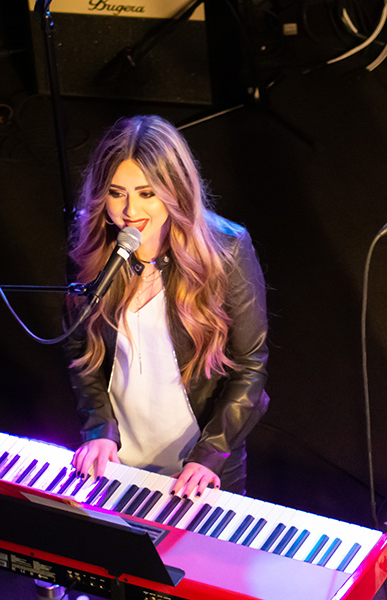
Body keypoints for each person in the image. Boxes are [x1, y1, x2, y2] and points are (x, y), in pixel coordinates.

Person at [63, 115, 269, 498]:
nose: (129, 210)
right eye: (116, 192)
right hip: (118, 464)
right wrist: (98, 429)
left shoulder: (226, 248)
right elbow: (79, 351)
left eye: (146, 193)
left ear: (174, 190)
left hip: (199, 468)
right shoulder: (93, 248)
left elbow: (251, 368)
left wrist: (208, 455)